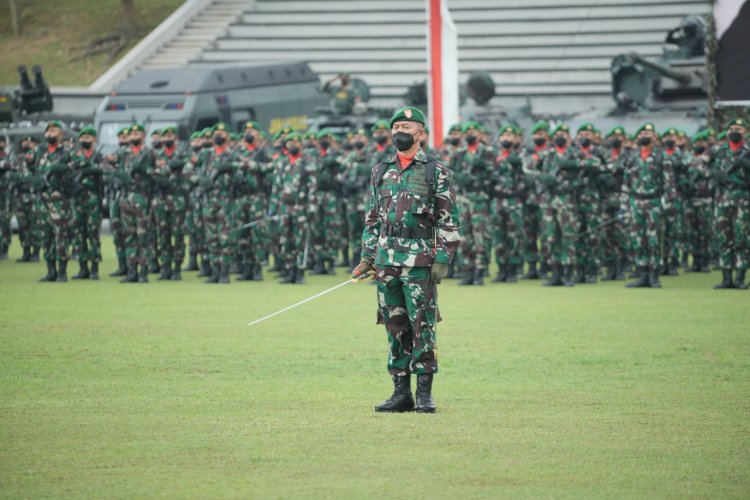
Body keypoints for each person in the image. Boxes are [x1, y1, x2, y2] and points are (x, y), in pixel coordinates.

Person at [352, 106, 460, 413]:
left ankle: (424, 393)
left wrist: (442, 257)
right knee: (395, 325)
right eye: (396, 125)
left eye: (407, 126)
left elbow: (449, 219)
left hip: (420, 262)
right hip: (386, 262)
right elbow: (373, 220)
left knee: (421, 326)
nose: (400, 131)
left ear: (421, 133)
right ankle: (401, 392)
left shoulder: (434, 171)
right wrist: (366, 259)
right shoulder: (379, 170)